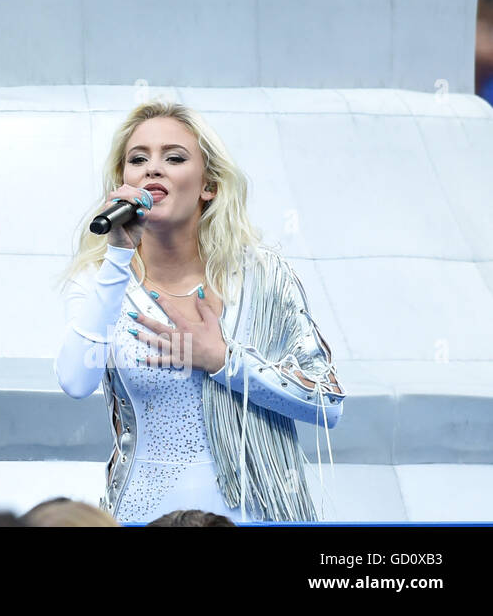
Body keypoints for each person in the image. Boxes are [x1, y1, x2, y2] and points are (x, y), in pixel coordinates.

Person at [54, 100, 344, 523]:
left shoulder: (261, 276)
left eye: (174, 157)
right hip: (144, 514)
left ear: (208, 184)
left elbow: (327, 403)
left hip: (255, 513)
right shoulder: (102, 282)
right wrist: (117, 257)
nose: (153, 169)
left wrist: (225, 361)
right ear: (123, 182)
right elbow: (75, 380)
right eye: (138, 159)